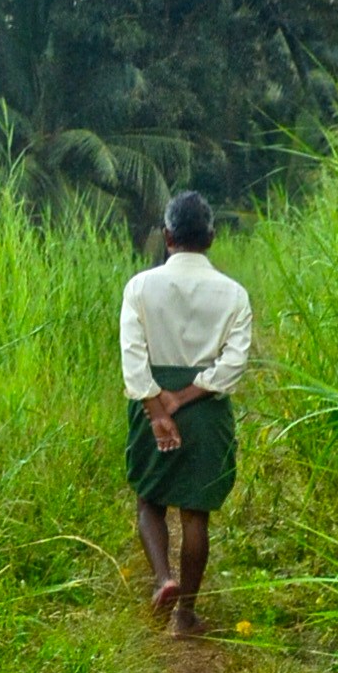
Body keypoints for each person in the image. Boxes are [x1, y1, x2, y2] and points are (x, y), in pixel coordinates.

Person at [121, 190, 251, 635]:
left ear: (167, 235)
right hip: (205, 411)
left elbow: (133, 356)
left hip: (150, 404)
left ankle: (164, 578)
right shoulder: (233, 294)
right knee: (196, 512)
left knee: (149, 498)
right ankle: (185, 615)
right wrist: (183, 398)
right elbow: (232, 364)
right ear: (211, 237)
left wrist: (156, 408)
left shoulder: (140, 287)